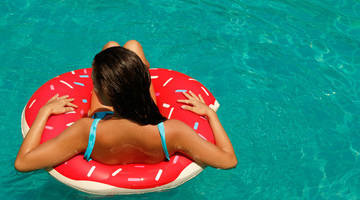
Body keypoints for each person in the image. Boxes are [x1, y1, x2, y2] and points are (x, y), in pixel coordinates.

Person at [15, 40, 237, 173]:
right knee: (133, 46)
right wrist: (209, 114)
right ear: (144, 83)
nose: (93, 87)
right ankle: (135, 67)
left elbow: (23, 163)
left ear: (104, 94)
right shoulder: (173, 131)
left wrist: (44, 113)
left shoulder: (85, 131)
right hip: (148, 120)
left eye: (95, 84)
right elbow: (228, 161)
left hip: (104, 126)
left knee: (110, 47)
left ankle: (128, 64)